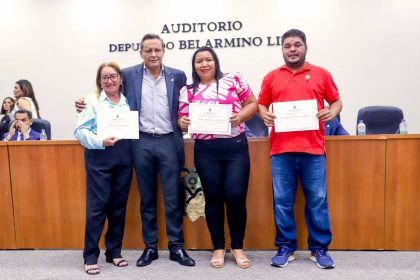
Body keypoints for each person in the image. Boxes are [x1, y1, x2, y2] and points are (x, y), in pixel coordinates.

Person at [76, 34, 195, 267]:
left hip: (169, 140)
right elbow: (106, 92)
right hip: (140, 142)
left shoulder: (177, 76)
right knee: (147, 198)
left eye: (157, 50)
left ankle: (176, 247)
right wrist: (82, 103)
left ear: (163, 51)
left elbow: (184, 106)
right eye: (148, 50)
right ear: (140, 53)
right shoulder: (128, 75)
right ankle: (150, 247)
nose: (153, 54)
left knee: (172, 197)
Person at [258, 29, 342, 269]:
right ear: (282, 50)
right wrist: (265, 115)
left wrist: (332, 112)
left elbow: (336, 101)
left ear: (305, 47)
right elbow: (261, 103)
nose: (292, 49)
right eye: (287, 46)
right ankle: (286, 247)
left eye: (297, 45)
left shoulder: (321, 74)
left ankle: (319, 249)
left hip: (313, 150)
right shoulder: (271, 76)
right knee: (282, 201)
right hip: (281, 151)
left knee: (317, 201)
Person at [178, 47, 258, 269]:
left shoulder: (233, 80)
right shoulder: (188, 90)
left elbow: (253, 103)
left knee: (235, 195)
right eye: (199, 61)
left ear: (216, 62)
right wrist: (181, 123)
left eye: (208, 60)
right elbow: (181, 119)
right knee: (212, 198)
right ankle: (219, 247)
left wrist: (239, 117)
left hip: (235, 147)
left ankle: (238, 247)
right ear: (194, 66)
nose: (204, 64)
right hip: (206, 149)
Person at [74, 62, 133, 275]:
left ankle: (113, 252)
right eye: (105, 77)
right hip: (99, 157)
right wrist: (102, 141)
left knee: (118, 207)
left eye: (113, 76)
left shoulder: (128, 101)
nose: (110, 81)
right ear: (100, 81)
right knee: (97, 208)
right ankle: (90, 256)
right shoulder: (91, 102)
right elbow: (80, 131)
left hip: (124, 158)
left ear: (120, 78)